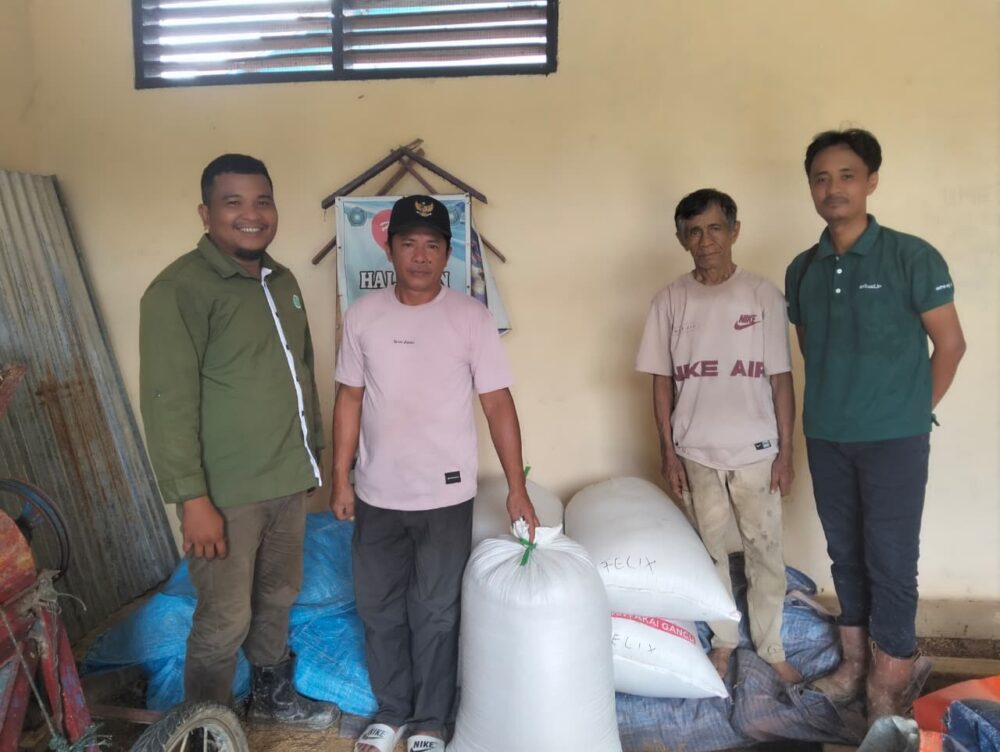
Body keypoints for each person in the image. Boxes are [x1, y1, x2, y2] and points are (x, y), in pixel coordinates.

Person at [330, 195, 539, 752]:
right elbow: (349, 399)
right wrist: (341, 478)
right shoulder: (363, 316)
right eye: (408, 243)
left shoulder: (470, 317)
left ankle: (429, 722)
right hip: (377, 493)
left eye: (432, 245)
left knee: (436, 613)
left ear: (448, 254)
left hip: (445, 497)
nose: (420, 256)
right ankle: (391, 711)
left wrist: (517, 488)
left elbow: (498, 404)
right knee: (378, 607)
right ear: (389, 249)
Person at [139, 153, 338, 728]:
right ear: (206, 213)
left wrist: (311, 456)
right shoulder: (179, 289)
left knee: (278, 597)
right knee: (224, 618)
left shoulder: (283, 281)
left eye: (262, 201)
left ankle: (272, 698)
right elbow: (167, 402)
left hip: (287, 480)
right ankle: (207, 726)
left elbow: (302, 373)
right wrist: (192, 499)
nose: (252, 214)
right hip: (224, 495)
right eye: (233, 203)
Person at [785, 129, 966, 722]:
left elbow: (950, 345)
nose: (832, 188)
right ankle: (855, 665)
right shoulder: (802, 269)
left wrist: (910, 412)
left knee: (890, 558)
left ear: (871, 182)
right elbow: (813, 349)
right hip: (827, 435)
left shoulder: (912, 256)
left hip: (894, 440)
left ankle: (890, 679)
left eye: (846, 175)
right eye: (821, 178)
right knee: (845, 553)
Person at [636, 188, 802, 684]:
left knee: (764, 552)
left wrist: (786, 452)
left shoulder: (763, 295)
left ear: (734, 231)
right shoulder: (669, 301)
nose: (705, 240)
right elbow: (661, 382)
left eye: (714, 228)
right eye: (694, 232)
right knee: (708, 554)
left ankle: (771, 647)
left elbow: (781, 379)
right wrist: (668, 452)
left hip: (757, 451)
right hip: (695, 451)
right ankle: (724, 642)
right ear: (681, 240)